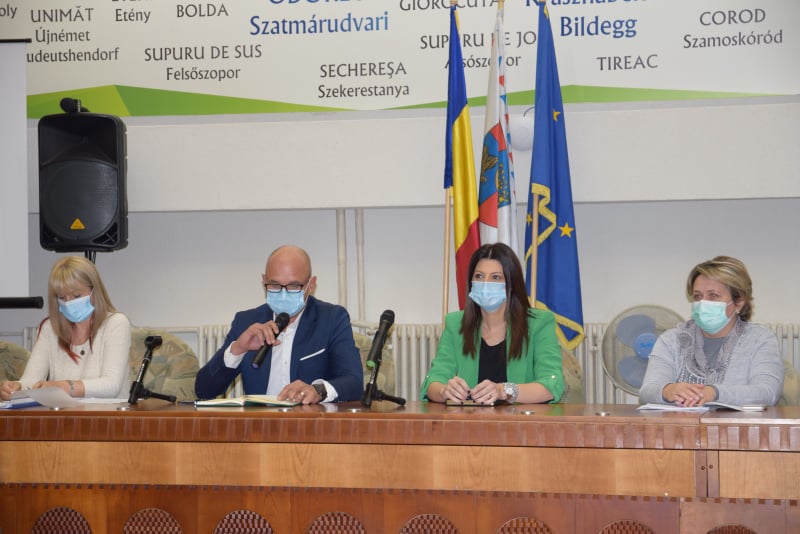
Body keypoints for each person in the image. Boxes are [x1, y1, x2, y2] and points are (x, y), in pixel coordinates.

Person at [195, 245, 363, 404]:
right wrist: (237, 349)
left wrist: (317, 391)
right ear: (264, 281)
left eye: (293, 286)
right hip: (259, 422)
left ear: (311, 284)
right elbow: (204, 390)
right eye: (274, 285)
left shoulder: (332, 318)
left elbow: (354, 382)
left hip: (310, 421)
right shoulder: (246, 321)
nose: (283, 293)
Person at [421, 243, 564, 404]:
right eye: (479, 276)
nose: (485, 283)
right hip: (468, 418)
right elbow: (432, 382)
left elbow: (551, 385)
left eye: (496, 277)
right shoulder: (455, 324)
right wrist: (444, 391)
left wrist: (504, 391)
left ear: (512, 283)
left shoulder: (539, 324)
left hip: (521, 418)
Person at [639, 256, 784, 407]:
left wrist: (714, 393)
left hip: (736, 423)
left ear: (738, 303)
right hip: (682, 422)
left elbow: (768, 393)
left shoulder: (760, 339)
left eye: (713, 296)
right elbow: (647, 391)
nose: (703, 303)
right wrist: (668, 390)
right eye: (698, 296)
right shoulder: (671, 340)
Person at [0, 256, 131, 401]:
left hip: (109, 413)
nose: (68, 303)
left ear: (95, 291)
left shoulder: (116, 323)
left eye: (76, 295)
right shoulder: (49, 328)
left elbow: (111, 386)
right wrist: (17, 387)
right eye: (62, 297)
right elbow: (31, 381)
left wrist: (63, 386)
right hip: (63, 412)